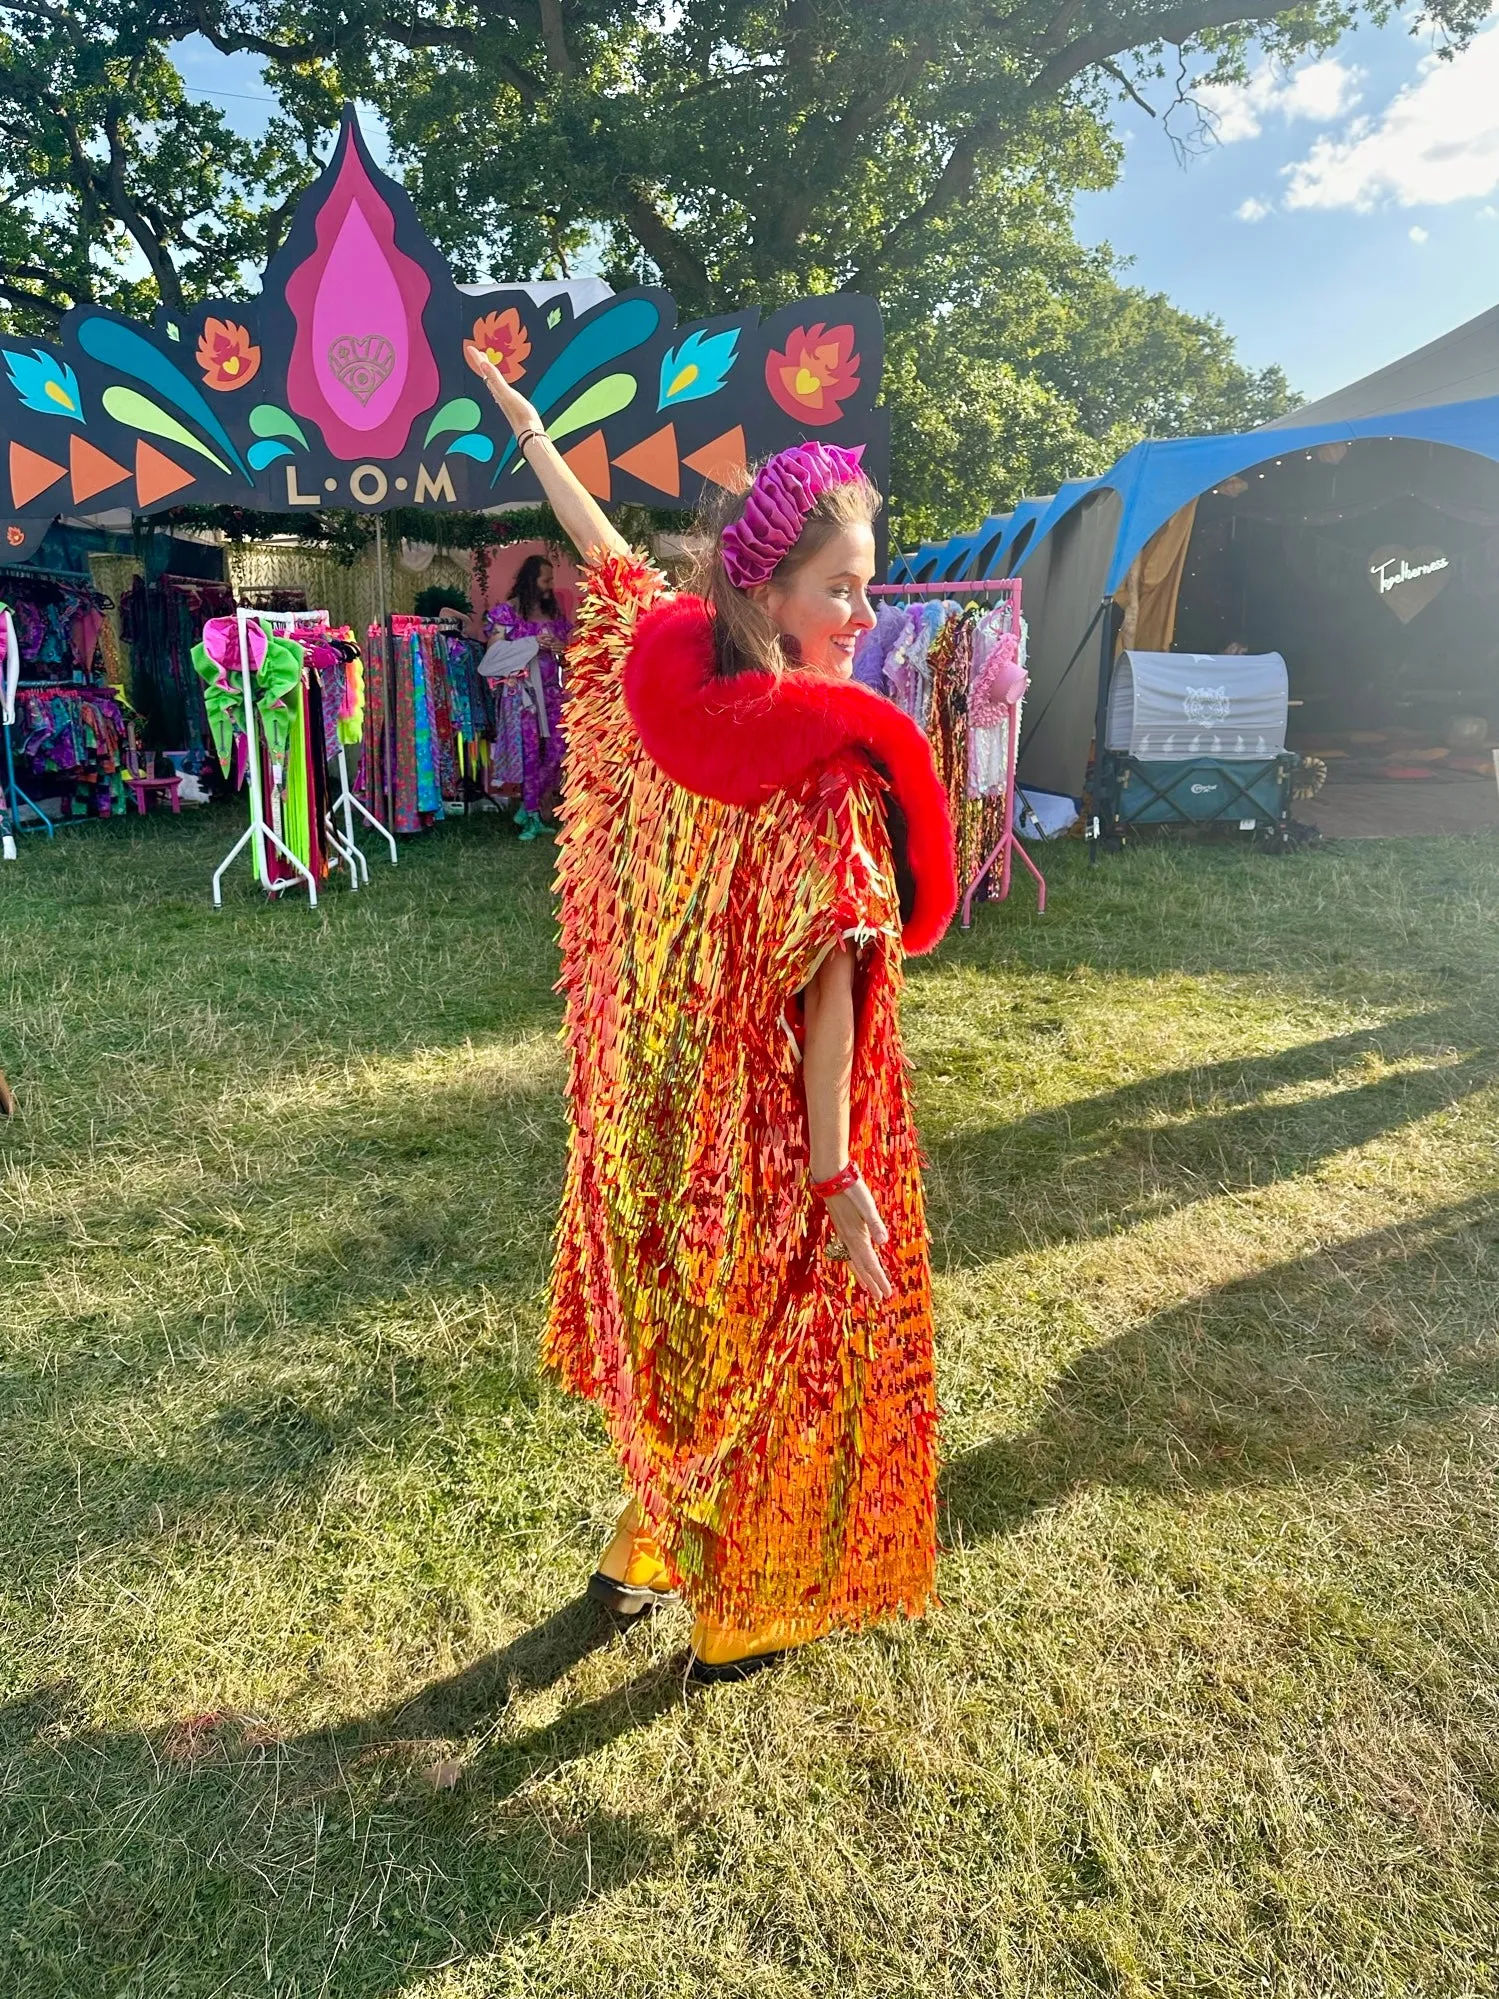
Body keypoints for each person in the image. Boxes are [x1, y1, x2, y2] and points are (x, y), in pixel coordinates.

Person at [467, 341, 959, 1683]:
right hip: (758, 1123)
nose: (863, 616)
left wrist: (529, 436)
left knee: (687, 1329)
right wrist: (835, 1168)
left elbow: (607, 553)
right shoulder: (826, 766)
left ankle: (639, 1540)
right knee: (767, 1343)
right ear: (768, 587)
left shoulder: (666, 677)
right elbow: (832, 979)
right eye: (841, 590)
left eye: (867, 587)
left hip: (656, 1097)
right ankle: (733, 1605)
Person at [485, 551, 572, 838]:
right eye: (545, 580)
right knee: (530, 755)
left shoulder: (555, 615)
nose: (549, 586)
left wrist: (561, 649)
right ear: (530, 582)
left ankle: (530, 806)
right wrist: (532, 642)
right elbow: (492, 657)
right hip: (523, 696)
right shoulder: (506, 614)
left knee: (559, 750)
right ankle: (532, 816)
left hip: (552, 694)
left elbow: (570, 656)